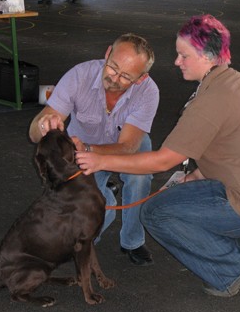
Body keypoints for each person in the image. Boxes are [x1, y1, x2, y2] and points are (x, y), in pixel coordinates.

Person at [76, 14, 240, 297]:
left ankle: (233, 268)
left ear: (207, 56)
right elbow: (230, 151)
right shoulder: (236, 81)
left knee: (156, 212)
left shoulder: (211, 101)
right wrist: (193, 176)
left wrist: (100, 160)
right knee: (181, 196)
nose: (176, 62)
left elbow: (162, 161)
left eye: (183, 55)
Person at [29, 33, 159, 266]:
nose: (115, 78)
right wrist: (43, 125)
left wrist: (90, 149)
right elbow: (34, 131)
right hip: (84, 149)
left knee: (139, 179)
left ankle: (132, 240)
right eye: (112, 67)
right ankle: (104, 195)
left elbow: (128, 147)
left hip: (124, 144)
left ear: (140, 78)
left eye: (126, 77)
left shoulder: (149, 92)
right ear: (108, 53)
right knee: (97, 216)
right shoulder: (79, 75)